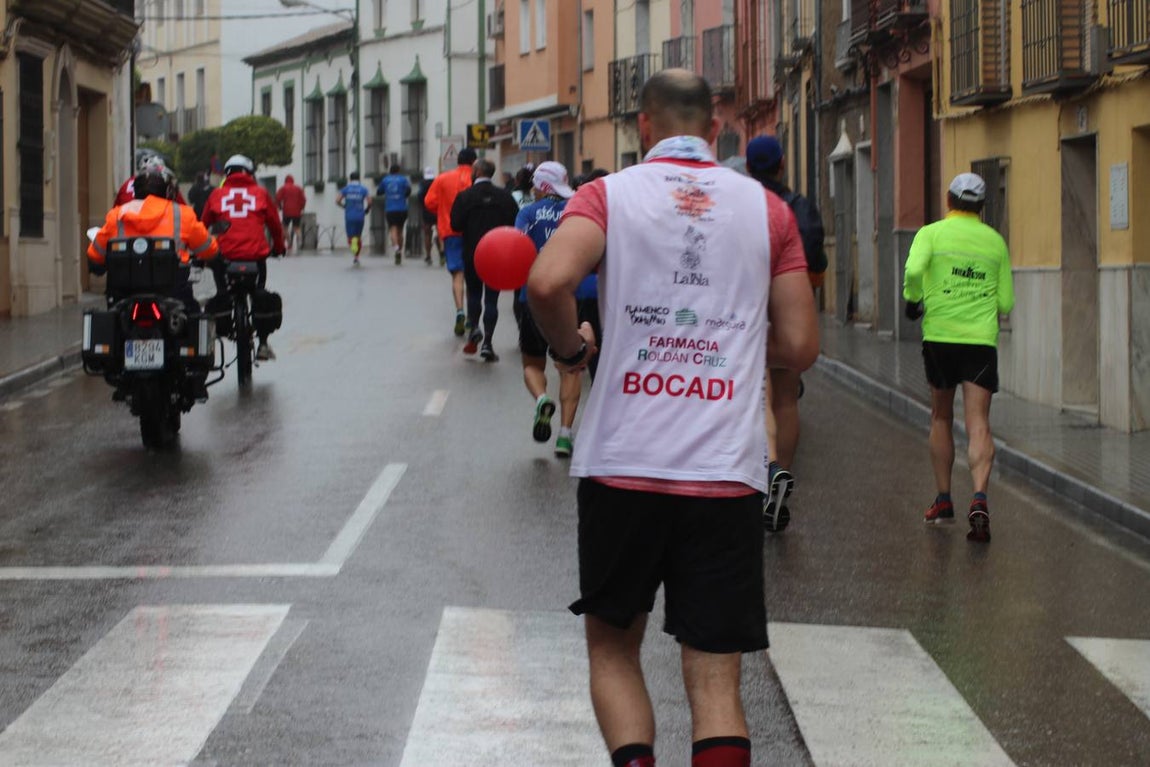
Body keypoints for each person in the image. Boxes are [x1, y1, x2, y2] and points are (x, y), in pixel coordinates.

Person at [526, 69, 818, 767]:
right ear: (716, 129)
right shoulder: (767, 211)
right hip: (723, 470)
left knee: (614, 651)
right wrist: (738, 341)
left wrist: (572, 347)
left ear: (642, 128)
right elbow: (802, 346)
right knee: (716, 681)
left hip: (622, 461)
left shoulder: (605, 195)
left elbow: (546, 281)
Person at [904, 172, 1014, 543]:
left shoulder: (931, 234)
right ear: (981, 207)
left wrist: (913, 298)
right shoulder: (995, 242)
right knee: (978, 421)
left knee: (941, 416)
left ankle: (944, 500)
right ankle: (980, 497)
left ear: (949, 201)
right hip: (980, 341)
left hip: (940, 337)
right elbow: (1006, 303)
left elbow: (914, 270)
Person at [745, 134, 828, 533]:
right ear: (781, 165)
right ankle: (783, 477)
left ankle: (768, 471)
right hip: (790, 309)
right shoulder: (799, 207)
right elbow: (818, 259)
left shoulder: (740, 204)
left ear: (748, 169)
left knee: (759, 396)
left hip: (749, 312)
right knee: (786, 399)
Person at [513, 162, 583, 455]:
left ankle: (542, 399)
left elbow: (515, 250)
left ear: (541, 187)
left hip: (533, 295)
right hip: (571, 296)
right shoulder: (577, 211)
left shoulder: (527, 213)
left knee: (532, 363)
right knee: (571, 366)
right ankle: (565, 435)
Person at [89, 160, 219, 312]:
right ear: (168, 191)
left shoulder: (117, 215)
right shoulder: (182, 214)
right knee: (194, 318)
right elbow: (209, 250)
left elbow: (95, 255)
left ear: (135, 191)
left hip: (125, 292)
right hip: (173, 291)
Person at [201, 154, 286, 361]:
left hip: (225, 256)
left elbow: (202, 226)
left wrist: (200, 253)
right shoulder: (261, 193)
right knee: (259, 293)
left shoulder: (216, 195)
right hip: (255, 255)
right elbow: (275, 225)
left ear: (227, 174)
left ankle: (220, 316)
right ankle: (263, 343)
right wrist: (279, 247)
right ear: (250, 173)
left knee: (222, 291)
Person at [449, 158, 520, 361]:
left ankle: (474, 329)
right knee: (491, 298)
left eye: (473, 170)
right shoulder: (504, 196)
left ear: (478, 171)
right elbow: (514, 223)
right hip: (497, 255)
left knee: (473, 294)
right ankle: (488, 342)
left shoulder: (465, 197)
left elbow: (455, 225)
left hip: (472, 252)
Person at [424, 147, 476, 336]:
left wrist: (443, 210)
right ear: (474, 162)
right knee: (473, 275)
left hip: (450, 231)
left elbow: (429, 202)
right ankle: (472, 316)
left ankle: (460, 311)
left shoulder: (443, 178)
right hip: (473, 233)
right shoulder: (475, 179)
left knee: (457, 274)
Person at [115, 152, 187, 207]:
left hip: (127, 222)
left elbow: (116, 208)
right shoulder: (165, 183)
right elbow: (182, 207)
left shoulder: (127, 184)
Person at [377, 164, 412, 265]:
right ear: (398, 170)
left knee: (393, 230)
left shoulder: (385, 180)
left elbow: (379, 191)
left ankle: (396, 249)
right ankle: (399, 252)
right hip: (402, 208)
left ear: (390, 171)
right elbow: (409, 190)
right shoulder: (403, 179)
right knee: (400, 231)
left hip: (390, 209)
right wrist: (403, 195)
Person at [337, 172, 372, 265]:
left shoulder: (346, 189)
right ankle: (356, 257)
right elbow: (369, 201)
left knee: (350, 237)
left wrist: (344, 206)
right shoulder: (363, 189)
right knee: (358, 236)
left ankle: (354, 247)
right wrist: (367, 209)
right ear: (359, 179)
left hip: (349, 216)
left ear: (350, 179)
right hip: (360, 216)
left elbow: (337, 200)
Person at [275, 174, 308, 253]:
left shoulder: (283, 188)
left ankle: (289, 242)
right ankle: (300, 240)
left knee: (284, 227)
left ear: (285, 181)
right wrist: (302, 208)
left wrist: (279, 207)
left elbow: (277, 198)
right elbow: (304, 199)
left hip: (287, 211)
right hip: (297, 212)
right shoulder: (298, 188)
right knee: (297, 227)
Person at [417, 166, 441, 266]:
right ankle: (442, 253)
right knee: (440, 232)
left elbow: (419, 196)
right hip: (437, 210)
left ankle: (428, 255)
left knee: (427, 233)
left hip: (426, 210)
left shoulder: (422, 184)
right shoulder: (437, 182)